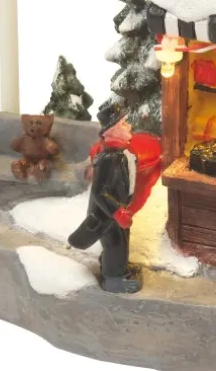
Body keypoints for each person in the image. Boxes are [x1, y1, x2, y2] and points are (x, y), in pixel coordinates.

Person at [68, 102, 162, 293]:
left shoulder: (122, 154)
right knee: (115, 244)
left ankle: (120, 268)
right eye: (124, 124)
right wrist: (117, 211)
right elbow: (99, 191)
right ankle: (114, 278)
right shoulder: (109, 159)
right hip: (107, 214)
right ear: (112, 131)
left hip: (119, 211)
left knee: (121, 241)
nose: (129, 126)